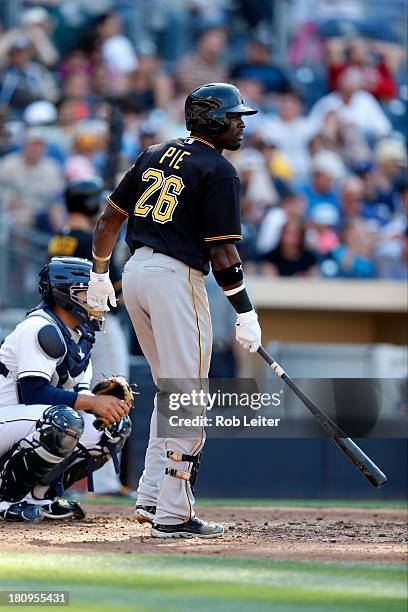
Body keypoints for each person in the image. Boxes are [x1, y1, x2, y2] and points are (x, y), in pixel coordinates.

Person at [87, 82, 262, 538]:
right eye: (233, 116)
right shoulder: (219, 170)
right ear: (208, 118)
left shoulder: (153, 153)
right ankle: (174, 513)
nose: (241, 123)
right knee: (188, 397)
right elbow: (223, 255)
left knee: (170, 390)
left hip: (137, 276)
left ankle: (150, 495)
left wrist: (100, 274)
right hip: (176, 278)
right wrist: (245, 312)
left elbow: (108, 220)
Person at [0, 257, 131, 522]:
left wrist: (104, 404)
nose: (95, 301)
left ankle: (39, 496)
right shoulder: (40, 328)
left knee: (113, 428)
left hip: (21, 423)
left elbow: (79, 395)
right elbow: (33, 394)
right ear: (63, 294)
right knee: (62, 422)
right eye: (87, 293)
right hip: (7, 416)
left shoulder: (80, 335)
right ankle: (5, 500)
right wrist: (92, 403)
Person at [48, 179, 130, 495]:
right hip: (98, 325)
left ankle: (65, 479)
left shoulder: (60, 239)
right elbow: (116, 290)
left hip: (67, 325)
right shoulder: (89, 238)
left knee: (75, 393)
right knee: (112, 393)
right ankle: (106, 482)